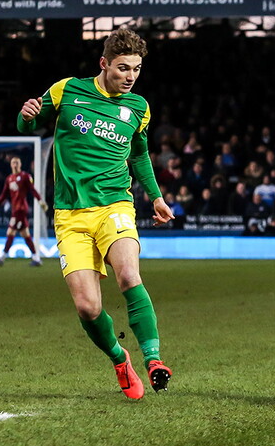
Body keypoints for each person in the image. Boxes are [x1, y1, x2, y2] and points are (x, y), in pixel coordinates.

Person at [17, 27, 175, 400]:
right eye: (123, 68)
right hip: (70, 214)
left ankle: (154, 360)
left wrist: (155, 197)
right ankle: (120, 359)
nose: (131, 76)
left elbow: (138, 155)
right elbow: (29, 122)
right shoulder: (67, 90)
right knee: (88, 307)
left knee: (128, 274)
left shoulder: (139, 108)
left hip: (114, 205)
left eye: (136, 69)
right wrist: (26, 117)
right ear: (104, 64)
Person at [0, 156, 47, 266]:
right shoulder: (9, 178)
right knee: (25, 234)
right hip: (15, 209)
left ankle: (2, 258)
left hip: (21, 209)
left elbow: (32, 190)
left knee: (10, 232)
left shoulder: (25, 176)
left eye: (17, 162)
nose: (15, 164)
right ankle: (36, 258)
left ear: (20, 164)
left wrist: (40, 201)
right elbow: (4, 195)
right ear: (11, 164)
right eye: (13, 163)